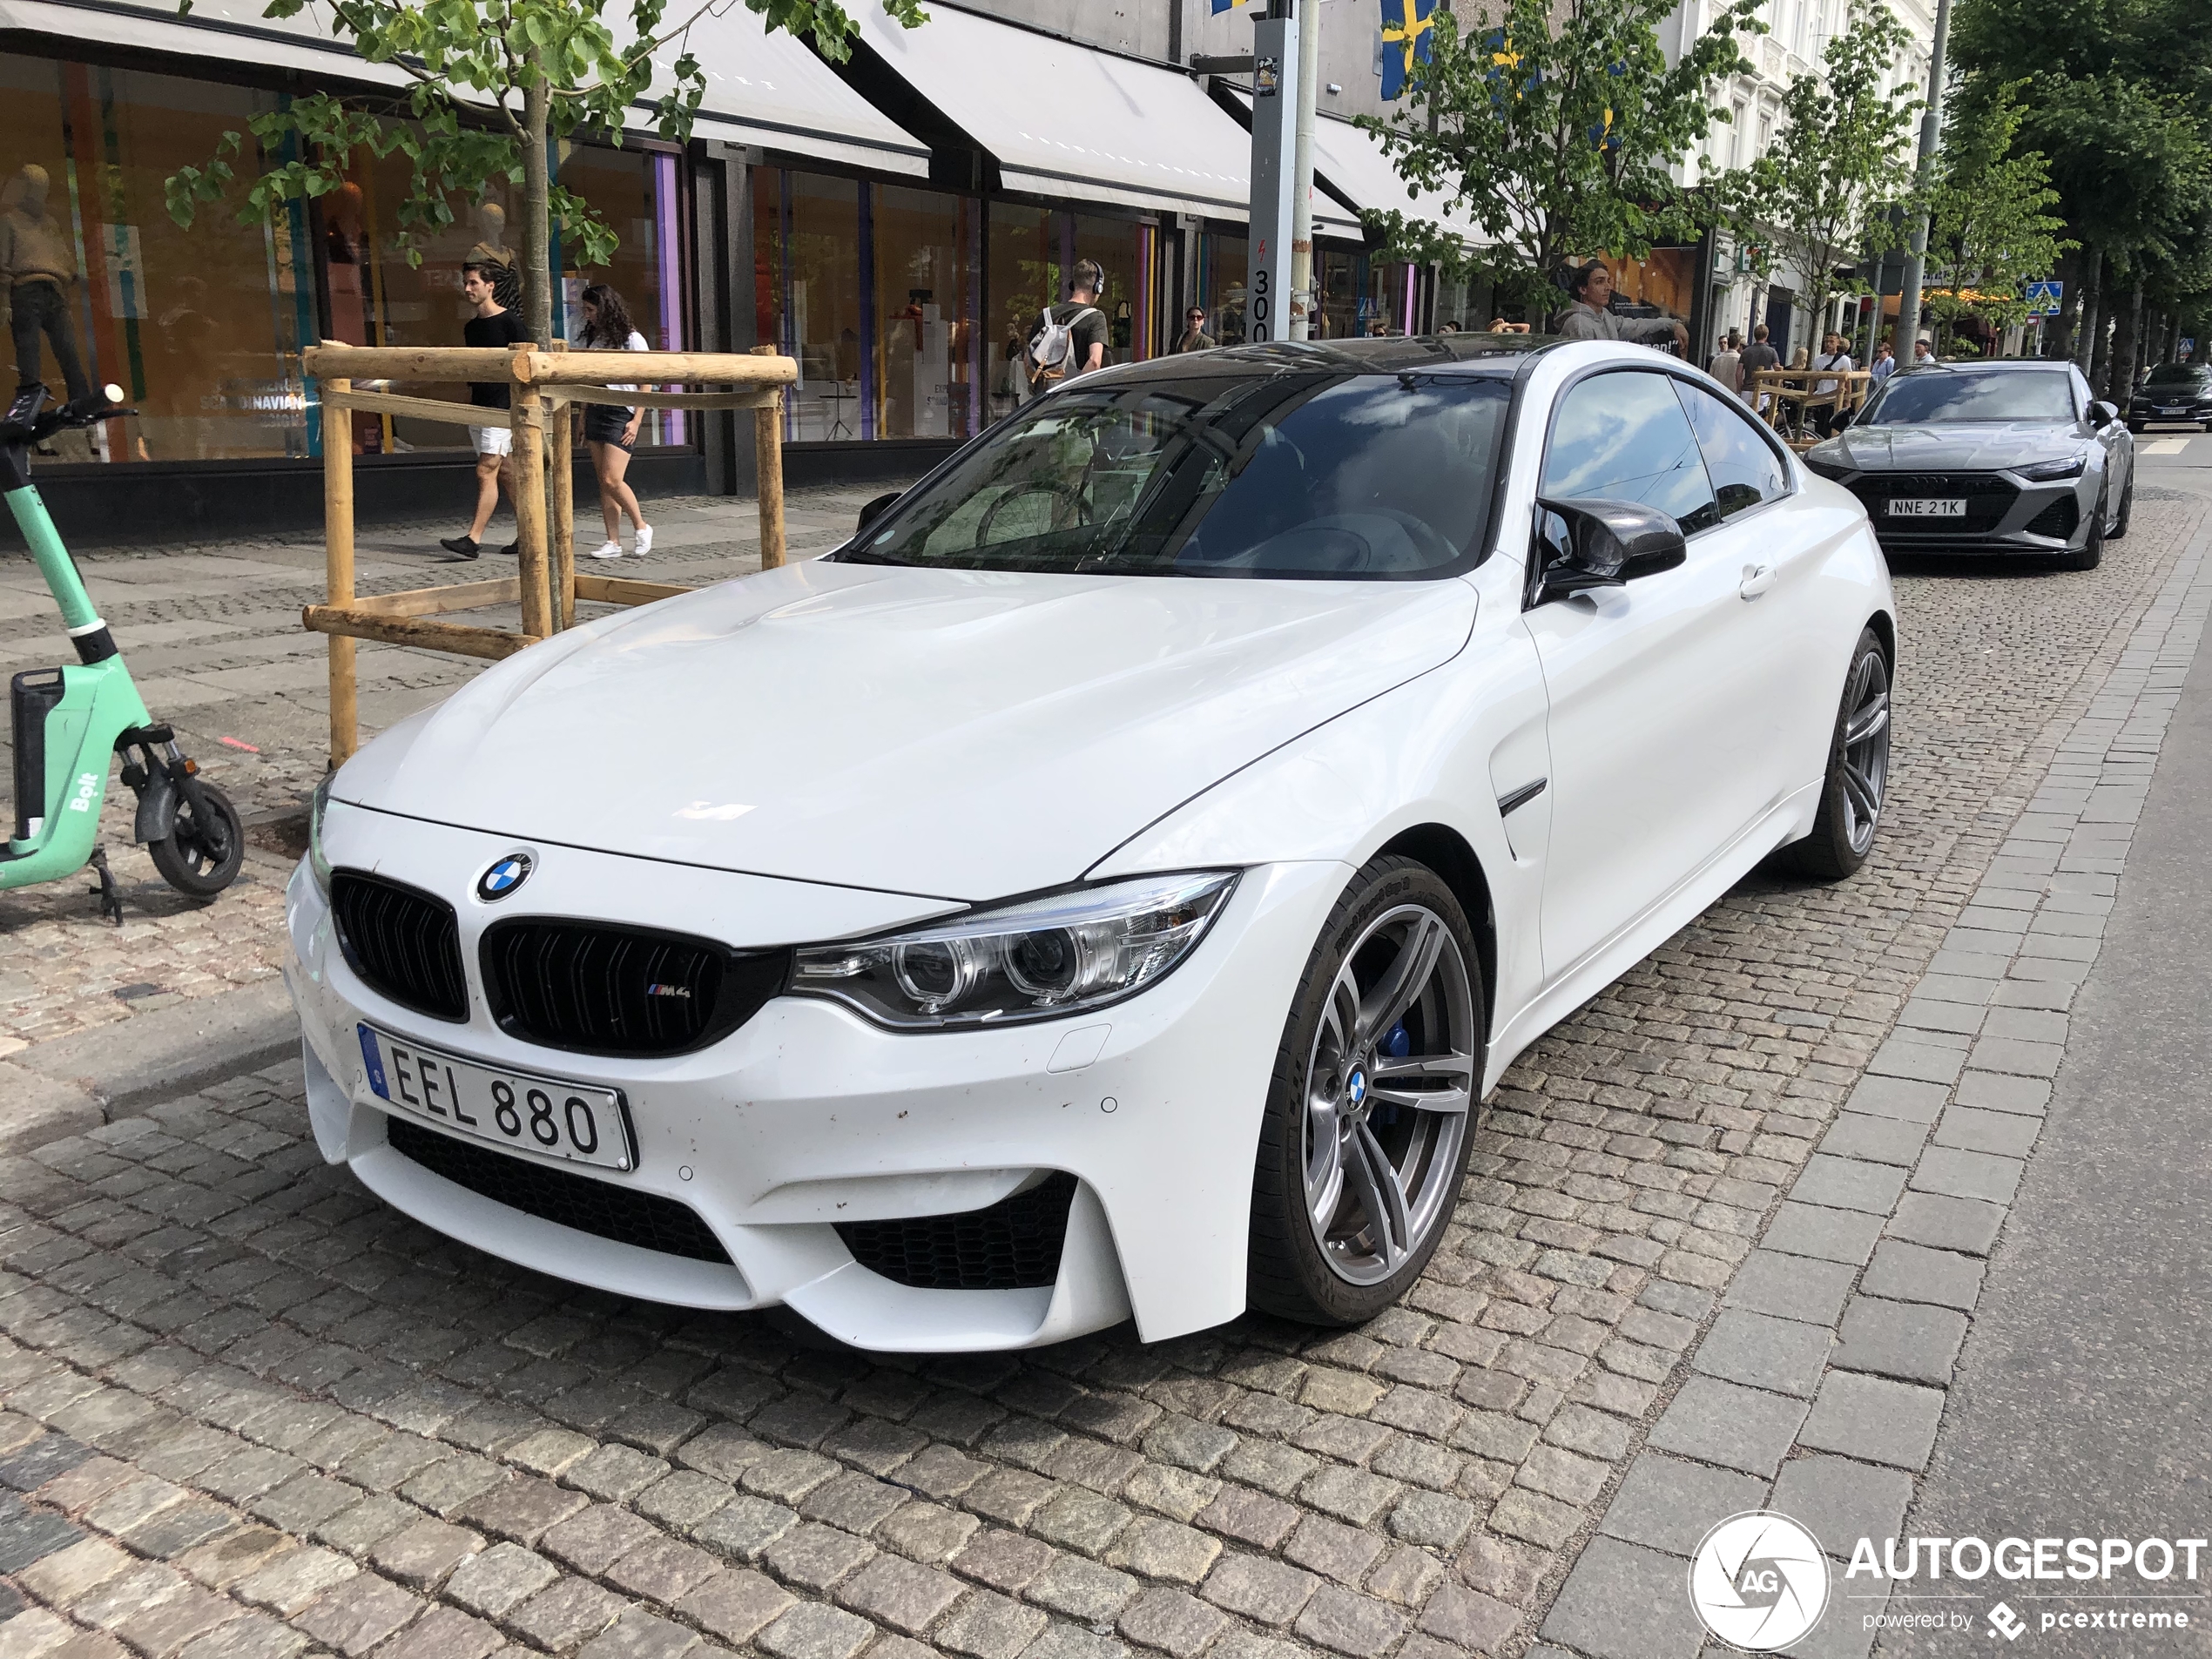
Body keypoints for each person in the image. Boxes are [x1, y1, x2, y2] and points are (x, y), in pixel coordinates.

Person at [439, 260, 529, 560]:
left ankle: (473, 539)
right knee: (506, 471)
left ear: (490, 286)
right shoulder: (472, 327)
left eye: (474, 283)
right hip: (479, 405)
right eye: (466, 283)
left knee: (485, 470)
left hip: (502, 408)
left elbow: (527, 367)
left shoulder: (511, 323)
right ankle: (531, 531)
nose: (468, 288)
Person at [1, 165, 93, 410]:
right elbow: (3, 264)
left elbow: (65, 261)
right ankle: (28, 420)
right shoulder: (9, 222)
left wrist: (79, 277)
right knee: (30, 361)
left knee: (70, 356)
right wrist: (4, 300)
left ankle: (82, 415)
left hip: (54, 292)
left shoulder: (49, 223)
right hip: (25, 292)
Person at [574, 283, 653, 563]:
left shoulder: (631, 339)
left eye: (591, 309)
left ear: (606, 309)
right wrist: (583, 415)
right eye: (585, 310)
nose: (588, 315)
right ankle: (613, 540)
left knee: (612, 477)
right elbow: (587, 379)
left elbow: (646, 382)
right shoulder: (590, 338)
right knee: (604, 482)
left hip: (621, 410)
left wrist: (636, 420)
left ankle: (641, 526)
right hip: (596, 407)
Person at [1553, 260, 1689, 354]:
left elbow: (1637, 325)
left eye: (1608, 281)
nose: (1608, 287)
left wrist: (1672, 324)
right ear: (1583, 289)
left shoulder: (1604, 316)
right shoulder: (1578, 324)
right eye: (1599, 282)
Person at [1024, 260, 1109, 388]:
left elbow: (1027, 357)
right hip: (1073, 401)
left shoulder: (1046, 315)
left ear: (1073, 284)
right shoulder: (1095, 317)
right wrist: (1071, 392)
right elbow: (1094, 361)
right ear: (1098, 287)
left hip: (1045, 399)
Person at [1811, 331, 1855, 435]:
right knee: (1819, 428)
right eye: (1826, 341)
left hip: (1836, 399)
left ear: (1838, 343)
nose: (1828, 344)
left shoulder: (1844, 360)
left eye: (1831, 341)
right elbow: (1813, 379)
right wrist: (1809, 396)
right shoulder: (1819, 360)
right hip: (1821, 398)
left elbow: (1848, 381)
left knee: (1832, 428)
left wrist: (1847, 400)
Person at [1737, 322, 1781, 409]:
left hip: (1747, 389)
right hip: (1763, 391)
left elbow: (1738, 372)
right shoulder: (1772, 352)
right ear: (1766, 336)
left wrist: (1740, 387)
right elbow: (1778, 371)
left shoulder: (1746, 352)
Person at [1708, 331, 1743, 395]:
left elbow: (1711, 378)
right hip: (1734, 396)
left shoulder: (1716, 360)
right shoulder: (1740, 360)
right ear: (1738, 345)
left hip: (1718, 394)